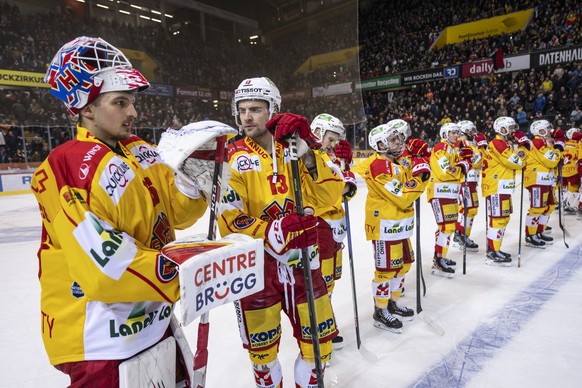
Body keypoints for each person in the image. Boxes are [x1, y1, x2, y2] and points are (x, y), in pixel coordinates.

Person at [31, 36, 219, 386]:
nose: (133, 112)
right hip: (101, 340)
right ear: (86, 108)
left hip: (154, 319)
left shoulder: (139, 149)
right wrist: (183, 271)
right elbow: (105, 271)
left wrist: (194, 180)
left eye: (132, 102)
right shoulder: (67, 166)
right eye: (120, 102)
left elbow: (175, 215)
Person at [218, 77, 337, 388]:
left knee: (318, 348)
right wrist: (273, 230)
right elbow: (229, 220)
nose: (247, 117)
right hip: (257, 267)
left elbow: (329, 198)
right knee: (263, 355)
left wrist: (310, 155)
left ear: (274, 110)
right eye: (242, 110)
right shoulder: (232, 157)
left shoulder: (296, 149)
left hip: (304, 264)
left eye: (256, 109)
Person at [352, 120, 429, 332]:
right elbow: (403, 197)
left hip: (399, 225)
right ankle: (380, 310)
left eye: (397, 137)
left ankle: (392, 302)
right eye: (393, 139)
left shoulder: (397, 161)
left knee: (403, 265)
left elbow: (409, 176)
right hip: (385, 226)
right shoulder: (379, 166)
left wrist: (420, 160)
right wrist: (421, 179)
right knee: (385, 271)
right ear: (380, 145)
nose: (399, 141)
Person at [308, 113, 357, 351]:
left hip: (336, 226)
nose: (334, 144)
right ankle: (317, 325)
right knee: (321, 281)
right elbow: (328, 191)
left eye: (337, 140)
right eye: (330, 138)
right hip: (320, 225)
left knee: (330, 281)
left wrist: (347, 178)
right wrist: (344, 185)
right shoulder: (311, 158)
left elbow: (346, 185)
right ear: (317, 133)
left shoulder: (331, 158)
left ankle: (324, 319)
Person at [426, 122, 473, 277]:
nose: (455, 135)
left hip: (450, 193)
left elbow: (466, 165)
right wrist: (462, 167)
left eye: (456, 132)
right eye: (452, 132)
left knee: (449, 227)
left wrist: (466, 161)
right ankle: (439, 261)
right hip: (440, 192)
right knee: (446, 227)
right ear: (444, 134)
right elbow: (446, 172)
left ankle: (441, 257)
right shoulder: (441, 147)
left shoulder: (453, 149)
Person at [481, 116, 526, 265]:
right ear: (502, 129)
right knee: (498, 219)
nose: (513, 130)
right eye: (511, 127)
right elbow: (517, 163)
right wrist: (523, 148)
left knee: (503, 218)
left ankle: (495, 249)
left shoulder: (504, 143)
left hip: (502, 186)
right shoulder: (497, 143)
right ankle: (492, 252)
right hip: (496, 187)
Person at [522, 119, 561, 248]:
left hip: (546, 180)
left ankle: (539, 231)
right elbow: (552, 160)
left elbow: (556, 159)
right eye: (547, 128)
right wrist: (559, 151)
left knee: (549, 206)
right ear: (540, 130)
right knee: (537, 208)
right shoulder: (538, 142)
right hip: (537, 180)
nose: (550, 131)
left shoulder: (545, 142)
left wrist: (558, 153)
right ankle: (530, 235)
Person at [453, 120, 487, 253]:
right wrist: (482, 149)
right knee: (469, 209)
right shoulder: (461, 145)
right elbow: (475, 162)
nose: (474, 133)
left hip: (471, 181)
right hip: (465, 181)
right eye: (471, 130)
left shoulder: (471, 144)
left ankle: (459, 233)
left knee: (468, 209)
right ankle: (462, 235)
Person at [560, 128, 581, 214]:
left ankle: (560, 203)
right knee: (574, 188)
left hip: (563, 170)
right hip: (573, 170)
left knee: (563, 188)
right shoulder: (579, 145)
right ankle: (570, 206)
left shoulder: (565, 144)